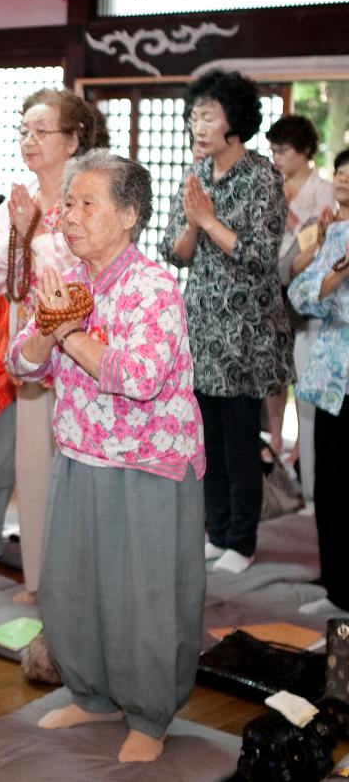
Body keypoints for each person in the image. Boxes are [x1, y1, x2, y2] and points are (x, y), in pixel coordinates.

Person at [9, 151, 205, 764]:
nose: (69, 216)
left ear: (128, 216)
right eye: (68, 203)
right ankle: (91, 694)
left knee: (145, 598)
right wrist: (49, 328)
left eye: (86, 203)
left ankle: (150, 714)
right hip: (80, 452)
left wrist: (69, 331)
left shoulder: (154, 287)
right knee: (73, 587)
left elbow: (139, 376)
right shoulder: (70, 279)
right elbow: (22, 364)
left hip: (147, 462)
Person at [159, 70, 293, 575]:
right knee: (205, 438)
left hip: (247, 332)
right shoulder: (194, 175)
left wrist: (211, 219)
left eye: (209, 116)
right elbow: (177, 254)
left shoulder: (261, 176)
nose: (198, 125)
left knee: (239, 441)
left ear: (235, 123)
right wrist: (194, 222)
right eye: (194, 115)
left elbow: (260, 256)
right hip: (202, 327)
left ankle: (242, 540)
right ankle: (216, 531)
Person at [0, 88, 98, 602]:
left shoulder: (90, 194)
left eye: (42, 131)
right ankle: (41, 577)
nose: (29, 141)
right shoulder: (19, 197)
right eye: (23, 131)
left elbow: (91, 264)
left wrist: (34, 240)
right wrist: (21, 235)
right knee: (32, 461)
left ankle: (79, 577)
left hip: (81, 341)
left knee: (76, 457)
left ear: (73, 139)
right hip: (32, 340)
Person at [288, 146, 349, 617]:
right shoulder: (333, 234)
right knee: (330, 481)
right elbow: (302, 294)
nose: (344, 180)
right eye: (341, 173)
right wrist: (337, 275)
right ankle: (335, 581)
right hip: (333, 375)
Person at [268, 114, 335, 499]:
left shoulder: (323, 189)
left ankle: (301, 450)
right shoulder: (271, 185)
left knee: (302, 368)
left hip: (304, 285)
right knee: (273, 370)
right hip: (271, 285)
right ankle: (275, 439)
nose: (277, 157)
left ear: (305, 151)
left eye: (284, 150)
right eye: (274, 149)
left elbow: (320, 241)